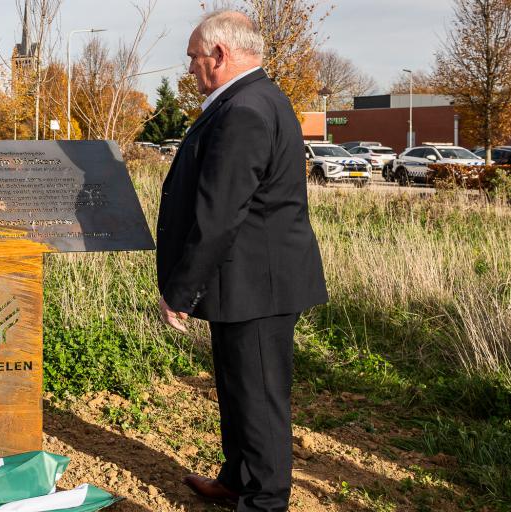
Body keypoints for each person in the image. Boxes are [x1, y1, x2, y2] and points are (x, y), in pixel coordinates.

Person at [155, 10, 328, 512]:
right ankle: (237, 480)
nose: (189, 69)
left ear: (219, 54)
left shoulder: (246, 109)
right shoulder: (254, 99)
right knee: (238, 390)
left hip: (258, 285)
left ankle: (264, 500)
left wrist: (181, 291)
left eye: (192, 57)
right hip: (249, 282)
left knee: (259, 399)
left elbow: (220, 214)